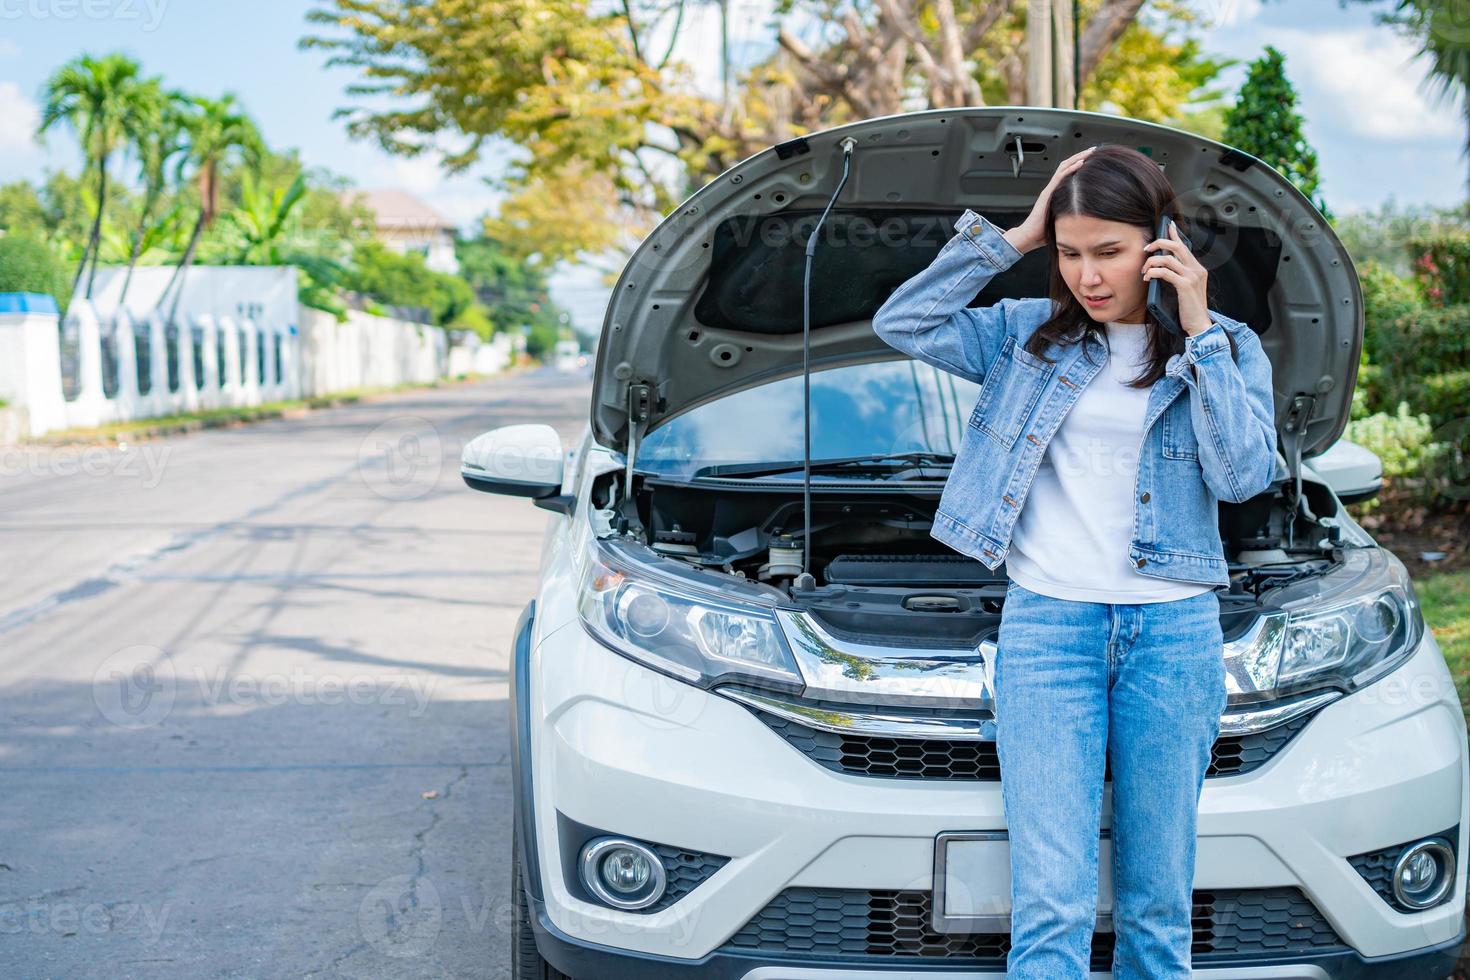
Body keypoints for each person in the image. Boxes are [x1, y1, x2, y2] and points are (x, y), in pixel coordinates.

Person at [870, 144, 1280, 978]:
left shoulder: (1225, 347)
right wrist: (1018, 235)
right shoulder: (1025, 337)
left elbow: (1243, 476)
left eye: (1110, 251)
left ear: (1161, 242)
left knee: (1157, 907)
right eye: (1071, 252)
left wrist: (1196, 328)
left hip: (1174, 635)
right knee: (1051, 906)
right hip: (1047, 629)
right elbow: (903, 322)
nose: (1089, 276)